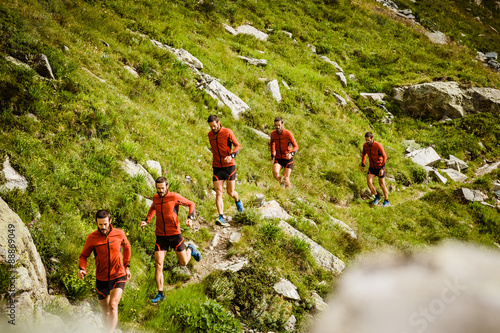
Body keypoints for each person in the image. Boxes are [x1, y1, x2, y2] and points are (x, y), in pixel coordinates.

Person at [140, 177, 201, 304]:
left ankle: (190, 249)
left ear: (167, 186)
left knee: (184, 262)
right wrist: (147, 221)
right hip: (161, 236)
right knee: (158, 264)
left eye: (163, 188)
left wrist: (190, 217)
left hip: (174, 235)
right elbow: (152, 209)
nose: (161, 191)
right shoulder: (156, 198)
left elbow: (191, 204)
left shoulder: (173, 197)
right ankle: (160, 294)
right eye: (158, 188)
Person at [78, 210, 131, 333]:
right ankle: (107, 329)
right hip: (101, 278)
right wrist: (82, 269)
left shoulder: (119, 233)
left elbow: (127, 247)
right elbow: (83, 256)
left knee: (113, 306)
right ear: (96, 222)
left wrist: (126, 266)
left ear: (110, 221)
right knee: (105, 310)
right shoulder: (92, 238)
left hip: (118, 275)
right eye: (100, 224)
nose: (103, 227)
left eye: (105, 224)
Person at [207, 114, 244, 226]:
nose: (212, 128)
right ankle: (221, 216)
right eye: (210, 126)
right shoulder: (210, 135)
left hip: (229, 166)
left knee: (230, 192)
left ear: (218, 122)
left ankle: (238, 201)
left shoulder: (227, 132)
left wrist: (231, 156)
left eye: (214, 126)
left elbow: (238, 146)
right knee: (219, 192)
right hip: (217, 167)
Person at [361, 132, 390, 207]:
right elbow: (364, 154)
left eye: (368, 140)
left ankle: (386, 201)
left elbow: (385, 157)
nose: (367, 142)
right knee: (369, 182)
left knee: (382, 184)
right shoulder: (365, 145)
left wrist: (382, 168)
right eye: (366, 140)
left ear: (372, 138)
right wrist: (363, 164)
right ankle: (377, 196)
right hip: (372, 167)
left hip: (380, 167)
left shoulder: (378, 145)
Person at [270, 117, 299, 188]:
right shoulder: (273, 134)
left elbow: (296, 146)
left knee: (286, 178)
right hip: (278, 158)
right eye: (276, 125)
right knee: (275, 173)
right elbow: (272, 144)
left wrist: (291, 154)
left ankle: (289, 191)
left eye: (279, 125)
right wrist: (273, 155)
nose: (277, 127)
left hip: (287, 158)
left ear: (283, 124)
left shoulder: (288, 134)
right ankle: (282, 184)